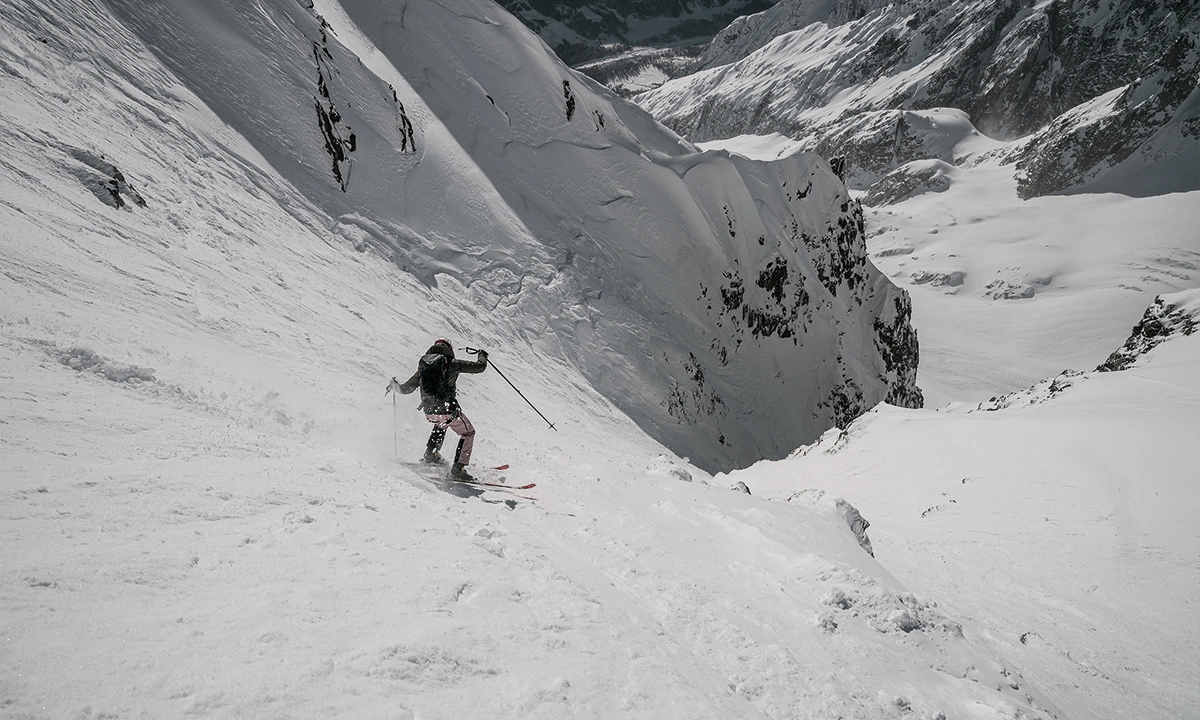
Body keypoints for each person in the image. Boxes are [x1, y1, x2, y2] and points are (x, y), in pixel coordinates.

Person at [394, 338, 488, 481]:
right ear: (449, 349)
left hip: (429, 412)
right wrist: (482, 355)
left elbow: (406, 389)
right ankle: (459, 468)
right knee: (469, 433)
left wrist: (393, 385)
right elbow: (480, 367)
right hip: (447, 411)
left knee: (441, 423)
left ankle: (431, 454)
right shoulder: (452, 364)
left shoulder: (423, 367)